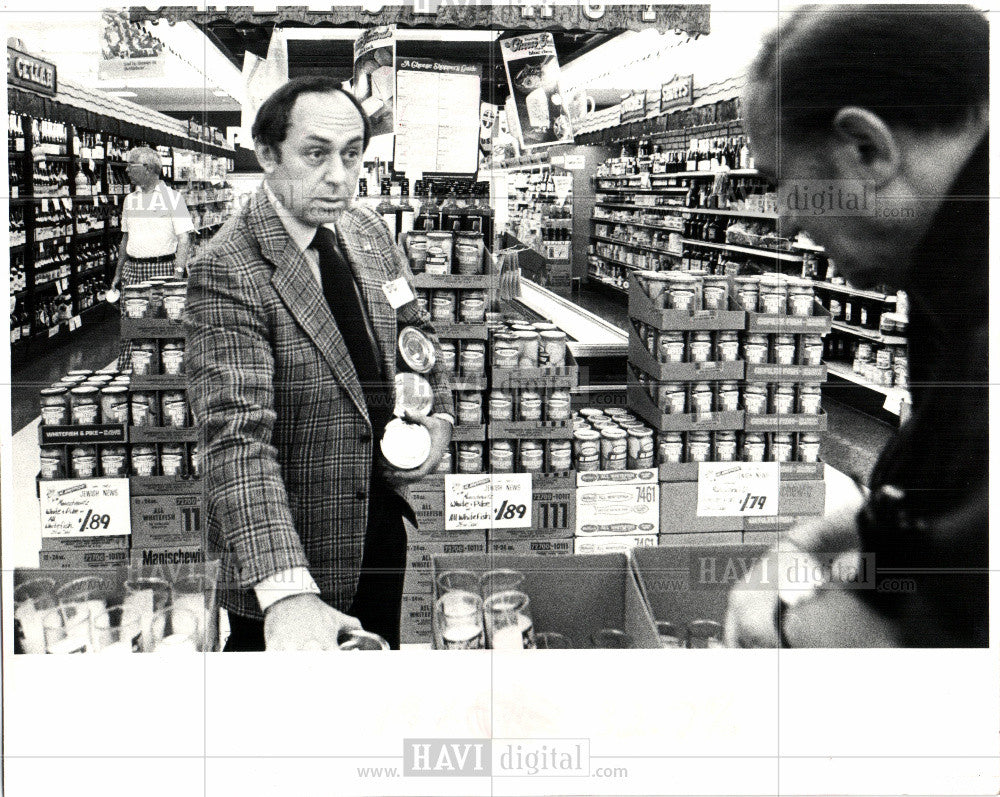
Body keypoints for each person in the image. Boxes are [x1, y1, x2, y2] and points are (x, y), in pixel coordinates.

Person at [725, 4, 988, 647]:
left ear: (866, 149)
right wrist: (815, 540)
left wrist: (781, 629)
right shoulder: (953, 288)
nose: (784, 223)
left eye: (783, 183)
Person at [185, 76, 454, 651]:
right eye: (316, 153)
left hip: (379, 522)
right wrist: (286, 592)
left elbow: (415, 334)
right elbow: (235, 438)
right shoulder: (227, 268)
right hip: (291, 549)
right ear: (266, 153)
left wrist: (437, 419)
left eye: (352, 154)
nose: (339, 175)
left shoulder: (368, 231)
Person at [112, 146, 194, 368]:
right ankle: (130, 374)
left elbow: (184, 239)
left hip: (163, 270)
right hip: (133, 270)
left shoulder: (172, 198)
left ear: (147, 168)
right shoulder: (130, 200)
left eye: (131, 165)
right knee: (132, 327)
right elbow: (125, 239)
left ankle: (167, 375)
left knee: (165, 326)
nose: (127, 170)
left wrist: (178, 273)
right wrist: (117, 274)